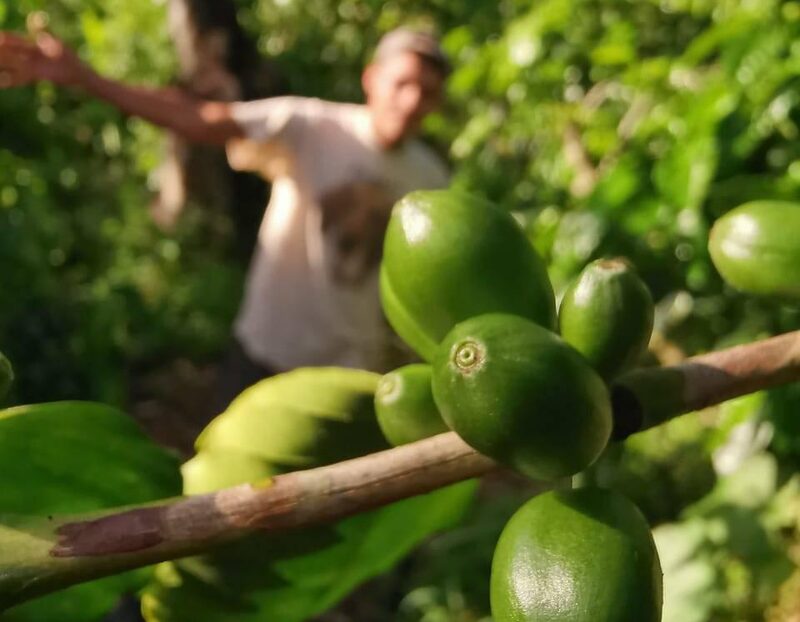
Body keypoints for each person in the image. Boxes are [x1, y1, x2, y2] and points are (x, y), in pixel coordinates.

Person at [0, 26, 451, 410]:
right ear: (371, 79)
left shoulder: (431, 178)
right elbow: (199, 120)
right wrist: (85, 78)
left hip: (350, 375)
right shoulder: (312, 127)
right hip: (266, 352)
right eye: (403, 83)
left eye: (427, 93)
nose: (411, 101)